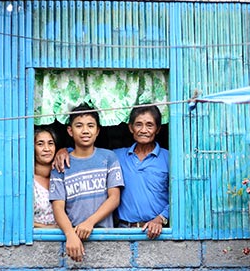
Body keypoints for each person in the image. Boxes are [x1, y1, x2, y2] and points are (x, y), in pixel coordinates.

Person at [55, 105, 169, 239]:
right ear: (130, 128)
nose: (144, 130)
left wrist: (161, 218)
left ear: (158, 129)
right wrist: (64, 151)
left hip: (157, 233)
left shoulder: (169, 158)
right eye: (138, 124)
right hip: (123, 231)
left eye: (149, 125)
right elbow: (88, 153)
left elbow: (179, 196)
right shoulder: (116, 156)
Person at [49, 103, 124, 262]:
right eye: (79, 126)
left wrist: (89, 222)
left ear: (97, 131)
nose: (85, 130)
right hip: (74, 238)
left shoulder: (108, 158)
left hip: (105, 237)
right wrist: (70, 235)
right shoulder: (60, 165)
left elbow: (114, 198)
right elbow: (58, 207)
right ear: (70, 131)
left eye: (90, 126)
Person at [33, 126, 59, 228]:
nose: (47, 149)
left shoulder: (61, 176)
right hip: (37, 241)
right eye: (40, 144)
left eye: (50, 143)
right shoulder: (28, 181)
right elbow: (19, 220)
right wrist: (49, 228)